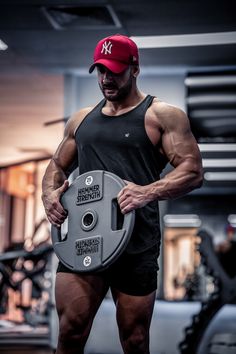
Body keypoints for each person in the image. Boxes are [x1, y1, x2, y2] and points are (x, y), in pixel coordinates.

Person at [42, 34, 203, 354]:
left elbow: (192, 171)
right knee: (70, 331)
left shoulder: (162, 115)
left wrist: (147, 192)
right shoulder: (81, 120)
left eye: (115, 70)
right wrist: (49, 194)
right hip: (83, 235)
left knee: (135, 338)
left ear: (135, 68)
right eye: (101, 70)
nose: (106, 78)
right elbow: (56, 166)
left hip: (137, 241)